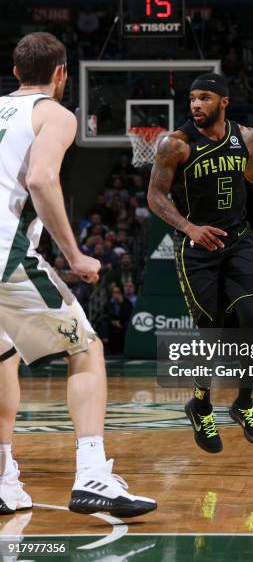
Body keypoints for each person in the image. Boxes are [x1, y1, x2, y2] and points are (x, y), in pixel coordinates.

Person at [0, 32, 156, 517]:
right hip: (7, 254)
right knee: (85, 348)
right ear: (62, 74)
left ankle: (3, 480)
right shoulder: (54, 113)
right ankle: (92, 476)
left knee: (3, 356)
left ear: (15, 67)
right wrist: (74, 255)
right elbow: (42, 178)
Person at [147, 72, 253, 453]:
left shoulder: (245, 136)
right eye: (192, 99)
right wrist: (189, 227)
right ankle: (200, 405)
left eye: (204, 98)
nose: (196, 105)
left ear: (223, 101)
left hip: (238, 241)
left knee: (252, 317)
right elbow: (155, 196)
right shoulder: (176, 144)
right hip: (197, 249)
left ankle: (244, 402)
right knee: (213, 336)